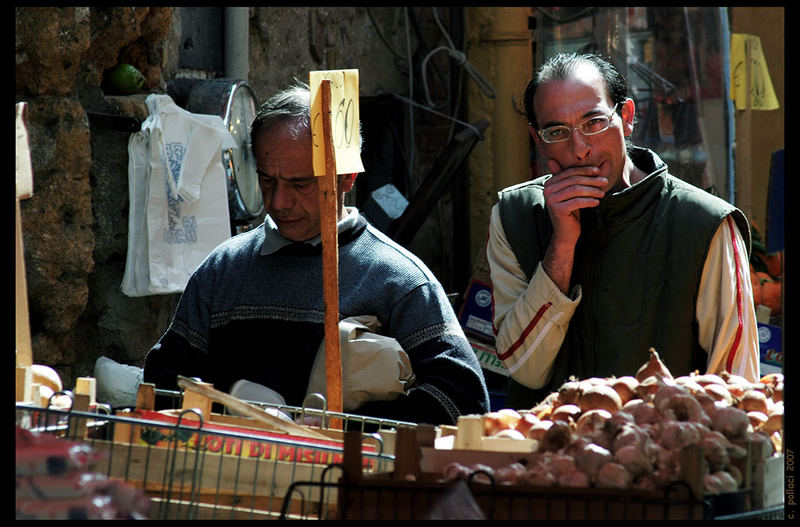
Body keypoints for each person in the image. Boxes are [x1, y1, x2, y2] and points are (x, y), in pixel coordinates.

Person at [143, 82, 490, 425]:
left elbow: (462, 402)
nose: (279, 202)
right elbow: (163, 385)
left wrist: (341, 428)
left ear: (346, 177)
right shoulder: (222, 271)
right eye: (267, 180)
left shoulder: (399, 282)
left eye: (299, 184)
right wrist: (237, 414)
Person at [486, 52, 760, 410]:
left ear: (627, 117)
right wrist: (563, 243)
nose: (580, 148)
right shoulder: (514, 215)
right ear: (537, 140)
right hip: (549, 456)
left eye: (594, 122)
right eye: (557, 131)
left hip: (661, 456)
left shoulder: (704, 224)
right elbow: (525, 369)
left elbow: (737, 386)